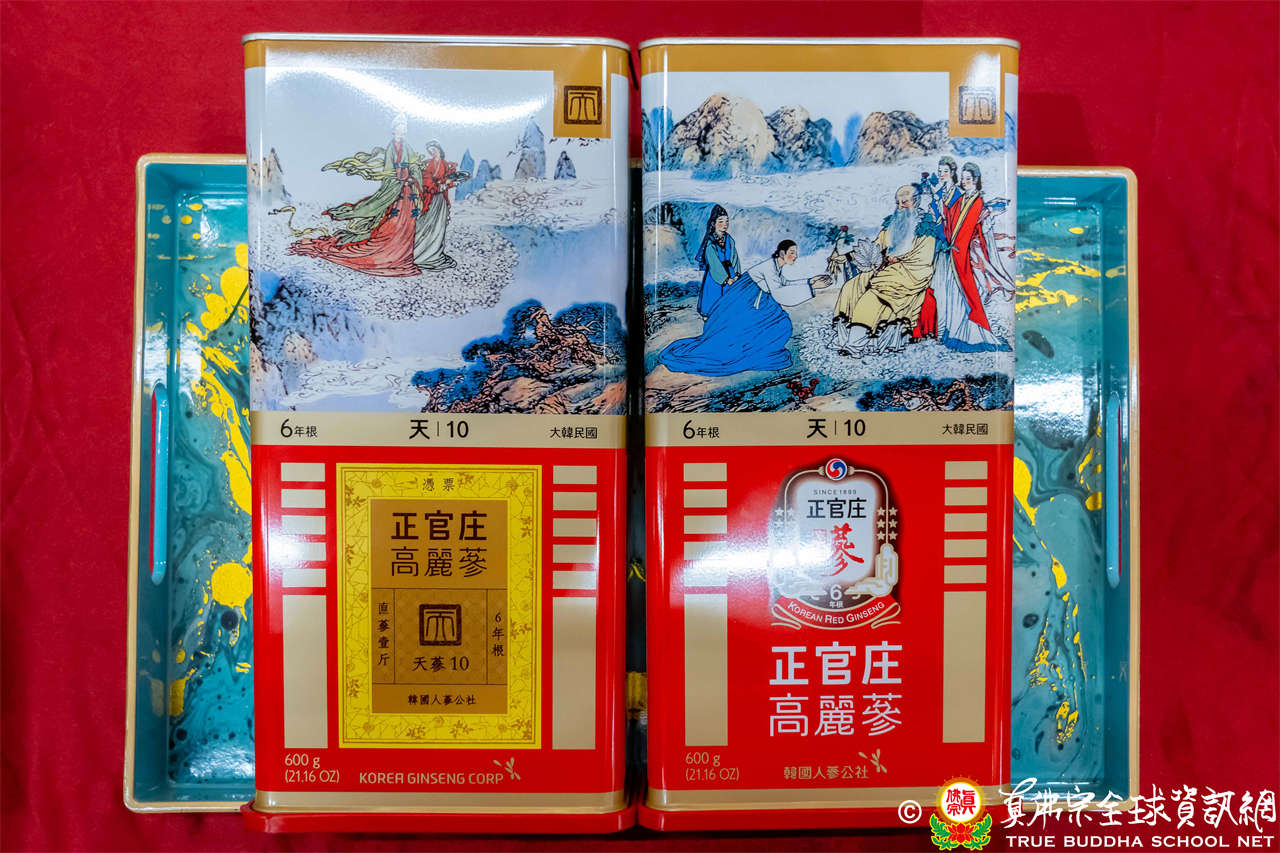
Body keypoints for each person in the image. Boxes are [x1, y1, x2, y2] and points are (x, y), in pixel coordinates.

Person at [660, 240, 831, 376]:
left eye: (795, 252)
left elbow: (783, 283)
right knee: (767, 328)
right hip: (746, 300)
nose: (795, 256)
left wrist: (810, 282)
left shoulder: (775, 267)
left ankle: (757, 349)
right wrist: (811, 289)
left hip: (758, 300)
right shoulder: (768, 267)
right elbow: (779, 293)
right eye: (792, 252)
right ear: (782, 253)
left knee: (780, 324)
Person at [831, 185, 938, 355]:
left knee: (874, 294)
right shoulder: (892, 225)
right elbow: (875, 247)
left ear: (916, 201)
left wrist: (897, 259)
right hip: (886, 268)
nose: (900, 206)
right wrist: (849, 256)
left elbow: (923, 258)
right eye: (898, 203)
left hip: (910, 273)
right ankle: (842, 338)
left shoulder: (925, 227)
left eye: (905, 202)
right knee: (852, 286)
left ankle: (855, 345)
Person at [927, 159, 1006, 352]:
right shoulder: (963, 199)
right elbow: (951, 218)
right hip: (957, 251)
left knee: (967, 294)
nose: (964, 182)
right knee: (956, 294)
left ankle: (971, 334)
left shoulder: (977, 201)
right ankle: (955, 332)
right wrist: (941, 208)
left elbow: (967, 228)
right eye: (963, 179)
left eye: (968, 179)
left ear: (976, 179)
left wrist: (956, 245)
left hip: (966, 253)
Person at [412, 141, 461, 271]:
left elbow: (448, 180)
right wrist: (442, 184)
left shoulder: (446, 165)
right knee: (425, 225)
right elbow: (425, 181)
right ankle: (420, 255)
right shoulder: (427, 164)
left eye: (434, 149)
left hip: (441, 200)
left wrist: (452, 182)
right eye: (430, 150)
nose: (432, 152)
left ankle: (434, 254)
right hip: (430, 199)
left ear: (439, 149)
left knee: (439, 227)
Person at [693, 205, 740, 317]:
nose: (725, 224)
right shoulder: (710, 242)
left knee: (729, 306)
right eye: (721, 221)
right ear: (713, 223)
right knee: (713, 303)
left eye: (727, 221)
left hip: (730, 273)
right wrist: (725, 279)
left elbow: (735, 257)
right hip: (715, 277)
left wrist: (737, 274)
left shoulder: (729, 239)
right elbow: (714, 263)